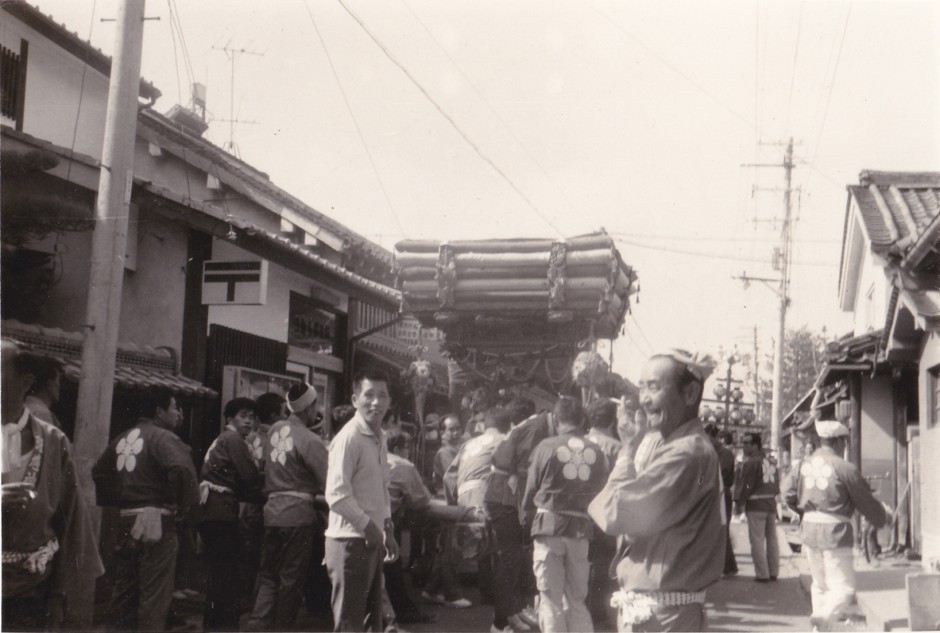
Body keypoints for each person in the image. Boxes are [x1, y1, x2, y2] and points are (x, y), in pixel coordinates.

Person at [588, 349, 724, 633]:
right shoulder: (684, 447)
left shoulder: (685, 453)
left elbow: (613, 513)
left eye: (654, 387)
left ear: (690, 393)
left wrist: (626, 453)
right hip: (664, 609)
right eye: (642, 388)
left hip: (662, 616)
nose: (644, 399)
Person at [2, 340, 103, 629]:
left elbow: (70, 519)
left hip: (31, 590)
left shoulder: (53, 441)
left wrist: (59, 594)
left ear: (25, 382)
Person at [92, 384, 199, 631]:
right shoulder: (163, 437)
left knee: (125, 590)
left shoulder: (122, 438)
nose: (178, 413)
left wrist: (118, 499)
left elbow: (99, 471)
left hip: (125, 519)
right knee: (155, 592)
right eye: (175, 407)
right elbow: (182, 469)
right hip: (157, 521)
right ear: (159, 411)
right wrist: (182, 504)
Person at [784, 420, 887, 631]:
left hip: (809, 530)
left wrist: (806, 512)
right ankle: (822, 617)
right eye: (844, 441)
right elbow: (865, 501)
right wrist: (882, 517)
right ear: (840, 441)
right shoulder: (844, 468)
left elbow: (787, 493)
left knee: (820, 585)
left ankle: (819, 629)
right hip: (835, 531)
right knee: (844, 588)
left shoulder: (802, 465)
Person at [522, 396, 609, 633]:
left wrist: (524, 517)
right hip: (580, 529)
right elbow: (602, 492)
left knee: (550, 598)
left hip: (548, 525)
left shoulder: (545, 446)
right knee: (577, 599)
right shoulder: (596, 451)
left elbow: (531, 489)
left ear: (556, 419)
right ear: (582, 421)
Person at [248, 382, 329, 631]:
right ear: (310, 407)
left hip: (272, 512)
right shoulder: (311, 440)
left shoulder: (275, 429)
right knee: (291, 579)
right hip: (298, 516)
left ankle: (257, 624)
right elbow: (329, 482)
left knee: (268, 574)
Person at [324, 368, 400, 632]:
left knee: (371, 622)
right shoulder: (349, 437)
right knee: (349, 624)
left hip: (370, 539)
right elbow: (336, 494)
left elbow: (382, 487)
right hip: (348, 541)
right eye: (369, 395)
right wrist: (369, 527)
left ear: (389, 401)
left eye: (382, 395)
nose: (376, 402)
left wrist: (387, 528)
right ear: (355, 400)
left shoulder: (379, 437)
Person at [198, 397, 265, 630]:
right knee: (226, 573)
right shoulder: (234, 439)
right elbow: (250, 477)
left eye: (251, 417)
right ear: (229, 418)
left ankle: (213, 623)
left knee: (218, 572)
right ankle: (223, 625)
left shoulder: (223, 438)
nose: (248, 422)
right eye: (242, 416)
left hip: (211, 509)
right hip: (221, 510)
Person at [482, 400, 545, 633]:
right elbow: (522, 467)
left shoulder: (525, 428)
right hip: (503, 497)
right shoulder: (533, 428)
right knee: (511, 558)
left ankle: (510, 614)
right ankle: (499, 622)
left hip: (503, 495)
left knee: (515, 558)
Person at [733, 432, 780, 583]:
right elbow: (776, 486)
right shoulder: (771, 462)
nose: (744, 446)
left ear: (755, 445)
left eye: (747, 443)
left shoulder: (751, 463)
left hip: (756, 504)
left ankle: (762, 574)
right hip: (770, 504)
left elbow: (747, 486)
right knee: (772, 539)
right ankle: (773, 571)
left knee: (757, 540)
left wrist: (739, 501)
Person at [705, 424, 738, 576]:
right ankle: (726, 566)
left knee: (722, 529)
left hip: (723, 495)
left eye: (707, 438)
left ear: (715, 437)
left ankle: (727, 566)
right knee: (714, 530)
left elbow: (721, 472)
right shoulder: (709, 452)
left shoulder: (726, 453)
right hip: (711, 494)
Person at [22, 354, 64, 429]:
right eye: (58, 381)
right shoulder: (42, 413)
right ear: (49, 384)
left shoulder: (23, 406)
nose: (59, 386)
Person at [431, 413, 462, 495]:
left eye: (458, 428)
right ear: (442, 433)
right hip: (446, 496)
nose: (456, 432)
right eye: (451, 430)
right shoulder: (444, 452)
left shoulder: (460, 449)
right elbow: (454, 480)